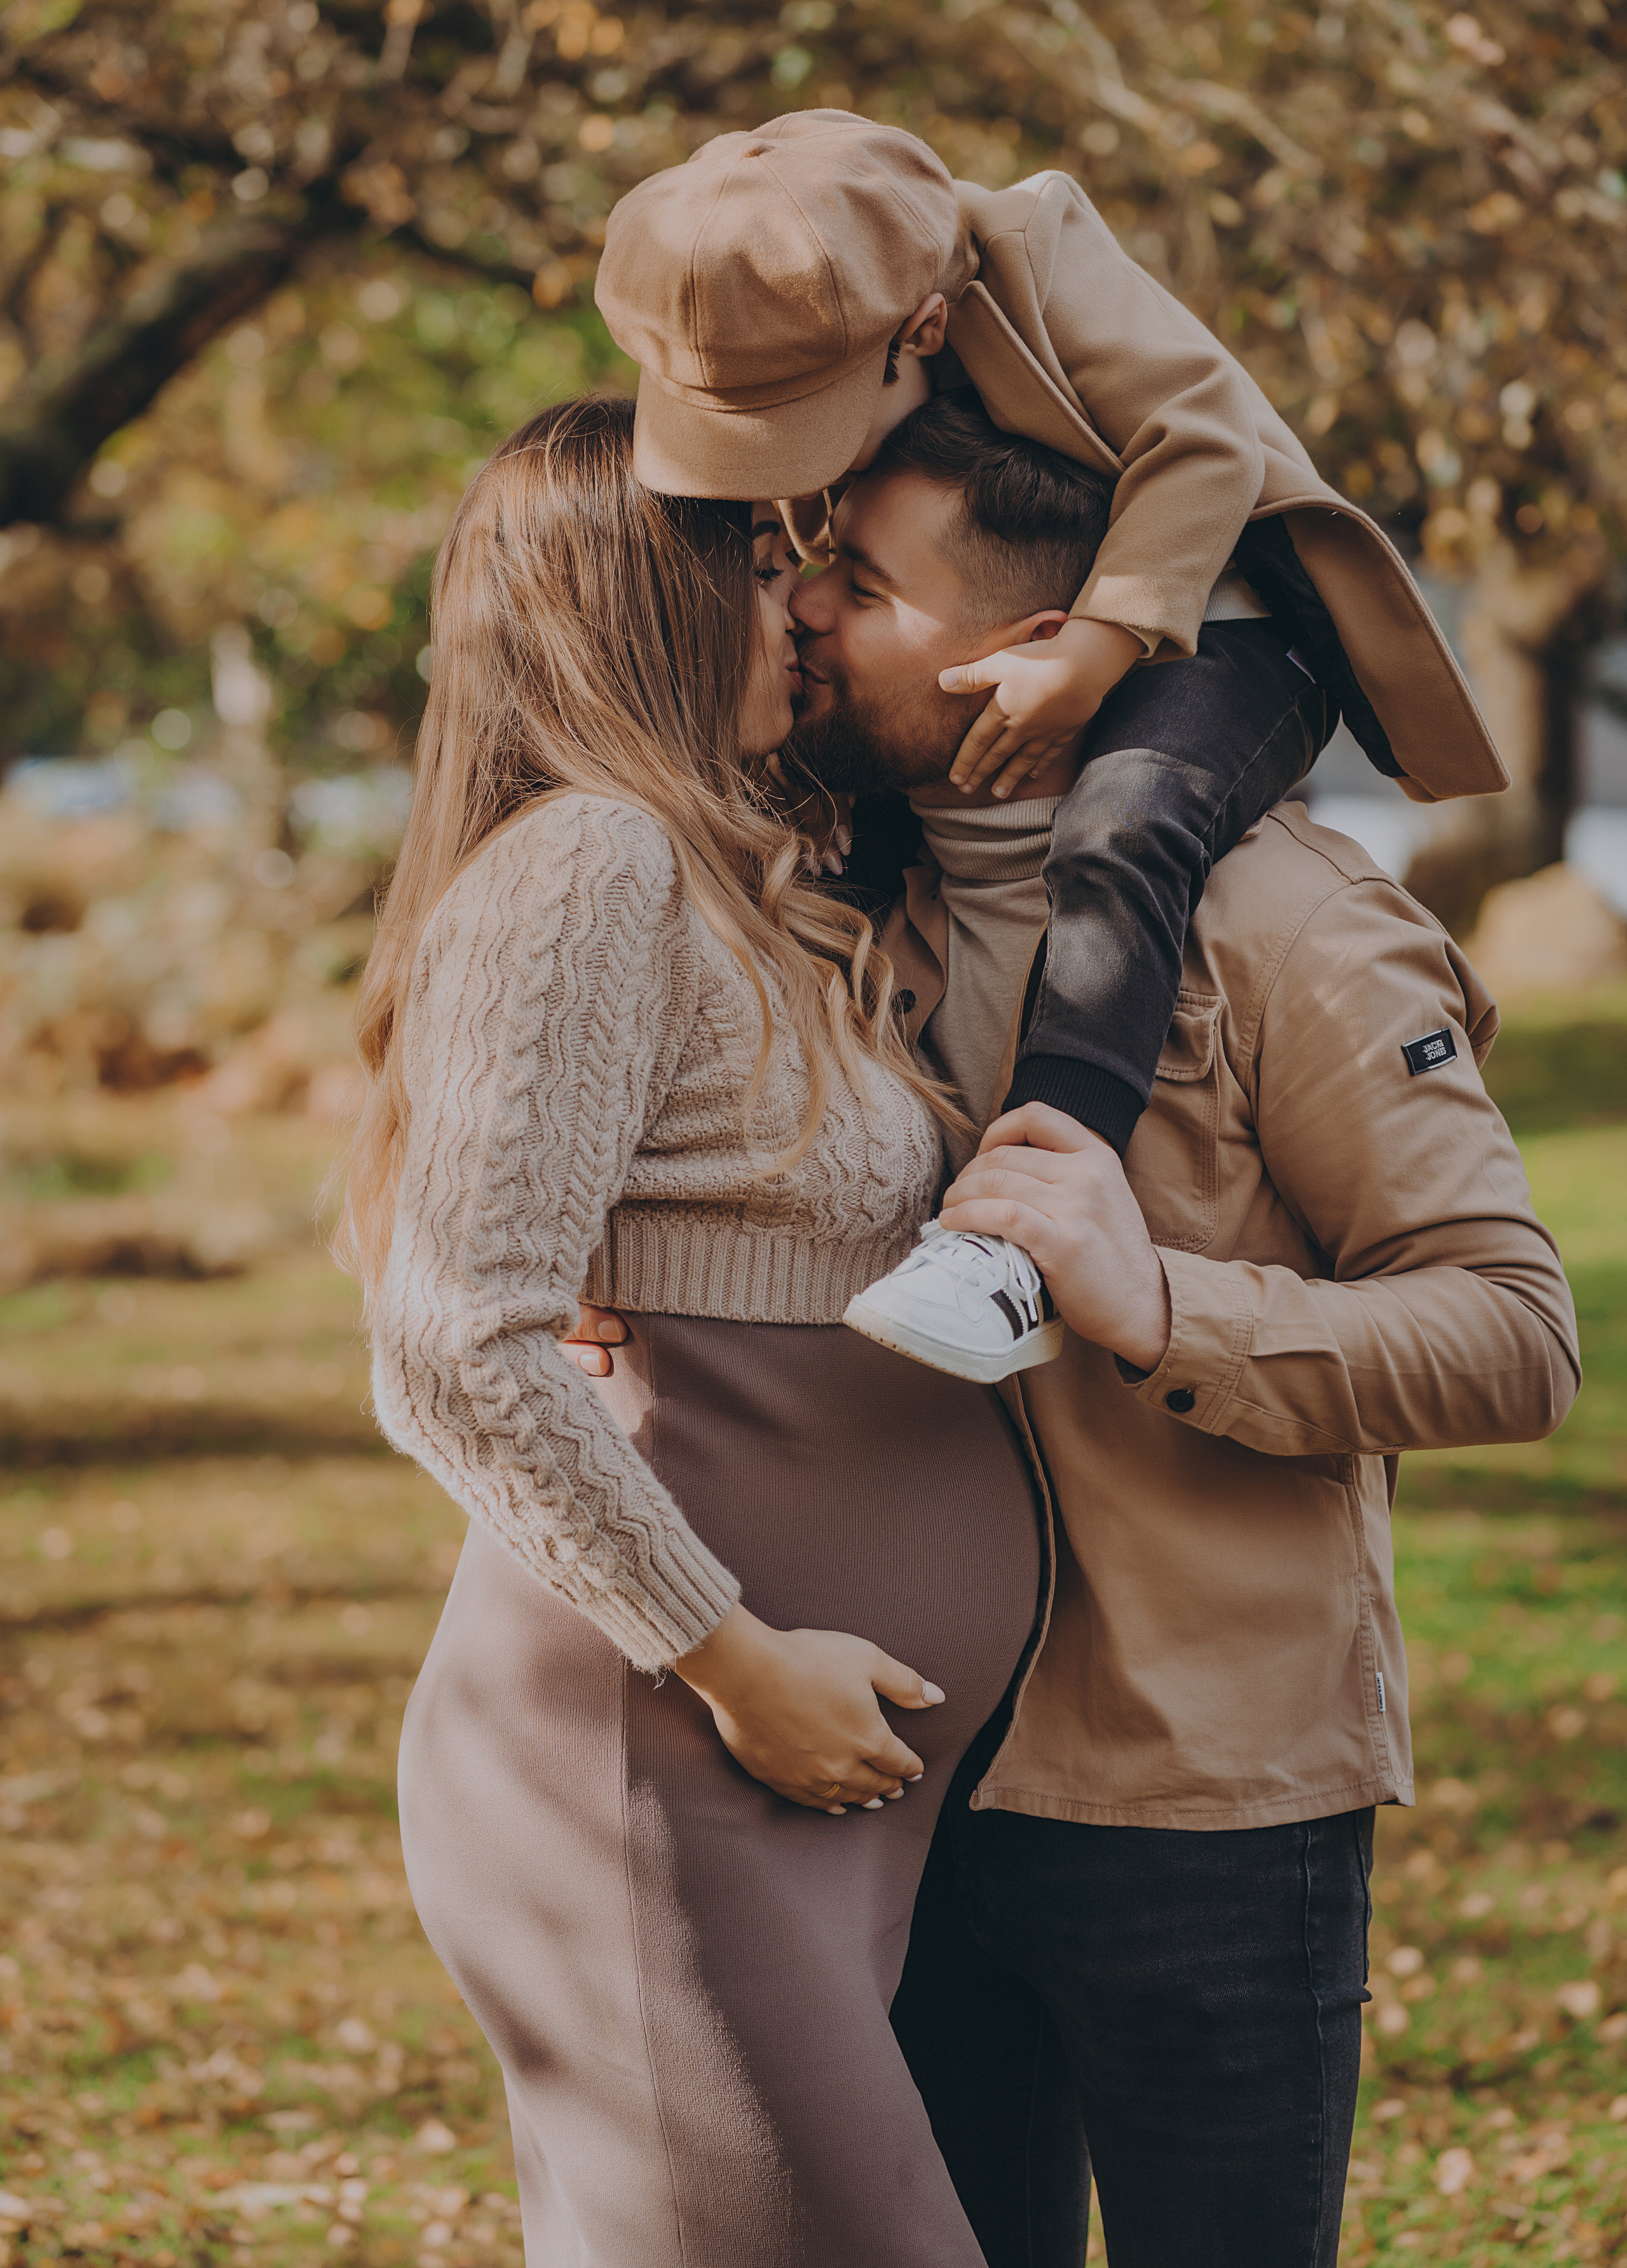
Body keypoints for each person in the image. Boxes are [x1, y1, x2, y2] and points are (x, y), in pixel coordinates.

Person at [772, 394, 1583, 2266]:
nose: (805, 610)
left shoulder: (1292, 926)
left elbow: (1515, 1334)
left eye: (861, 584)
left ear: (1018, 657)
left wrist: (1156, 1305)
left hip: (1202, 1808)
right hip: (895, 1775)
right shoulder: (824, 911)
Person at [340, 395, 1044, 2267]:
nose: (805, 598)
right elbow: (455, 1343)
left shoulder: (735, 875)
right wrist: (732, 1660)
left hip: (784, 1778)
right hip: (666, 1757)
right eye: (757, 558)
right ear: (642, 600)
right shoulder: (593, 866)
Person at [596, 108, 1509, 1383]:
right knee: (825, 840)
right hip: (920, 1564)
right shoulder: (903, 897)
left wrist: (1093, 650)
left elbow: (1202, 444)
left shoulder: (1036, 252)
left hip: (1220, 618)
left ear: (912, 331)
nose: (799, 597)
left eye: (849, 582)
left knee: (1125, 822)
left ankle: (1032, 1197)